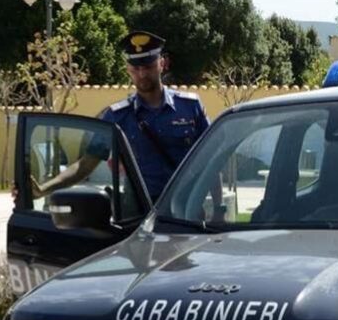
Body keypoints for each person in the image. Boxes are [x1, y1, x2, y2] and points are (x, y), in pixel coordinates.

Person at [29, 30, 221, 216]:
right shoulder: (117, 116)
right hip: (137, 212)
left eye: (148, 67)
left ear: (162, 64)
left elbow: (212, 160)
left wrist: (219, 209)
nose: (142, 74)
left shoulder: (190, 106)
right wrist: (42, 190)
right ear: (128, 70)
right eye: (136, 69)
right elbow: (86, 164)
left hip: (184, 210)